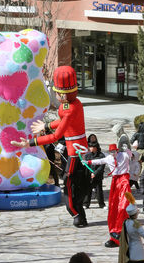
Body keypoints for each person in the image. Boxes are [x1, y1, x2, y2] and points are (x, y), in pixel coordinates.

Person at [11, 66, 91, 228]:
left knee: (68, 183)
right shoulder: (74, 104)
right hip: (77, 150)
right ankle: (78, 214)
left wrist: (30, 142)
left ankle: (76, 213)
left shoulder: (69, 109)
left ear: (62, 93)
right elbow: (62, 123)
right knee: (71, 183)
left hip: (76, 153)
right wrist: (46, 126)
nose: (55, 95)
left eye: (56, 92)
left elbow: (56, 136)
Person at [87, 141, 134, 246]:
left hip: (124, 181)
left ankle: (122, 234)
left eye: (114, 151)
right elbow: (99, 161)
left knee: (123, 208)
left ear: (117, 150)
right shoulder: (108, 158)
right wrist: (87, 162)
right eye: (111, 151)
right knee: (113, 208)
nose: (113, 153)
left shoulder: (124, 155)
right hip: (115, 182)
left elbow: (132, 155)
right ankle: (114, 236)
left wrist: (127, 148)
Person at [84, 142, 106, 209]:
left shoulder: (101, 155)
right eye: (90, 147)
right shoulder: (87, 155)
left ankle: (102, 204)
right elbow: (86, 165)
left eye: (92, 147)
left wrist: (95, 173)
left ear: (96, 148)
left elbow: (101, 166)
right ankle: (86, 204)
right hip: (89, 176)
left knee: (99, 190)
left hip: (98, 176)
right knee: (88, 190)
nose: (91, 148)